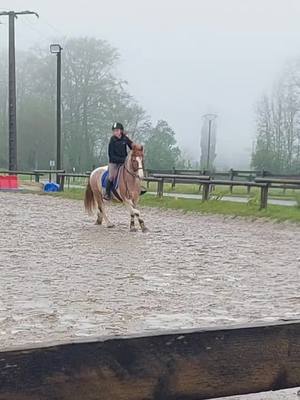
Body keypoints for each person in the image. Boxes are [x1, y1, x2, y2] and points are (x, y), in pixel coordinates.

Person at [104, 122, 133, 200]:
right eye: (114, 131)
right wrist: (123, 159)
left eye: (117, 130)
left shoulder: (125, 138)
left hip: (124, 162)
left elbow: (132, 146)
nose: (115, 132)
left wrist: (136, 149)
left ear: (121, 131)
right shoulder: (112, 140)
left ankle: (136, 190)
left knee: (133, 173)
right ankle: (107, 193)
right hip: (114, 162)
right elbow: (111, 155)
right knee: (111, 176)